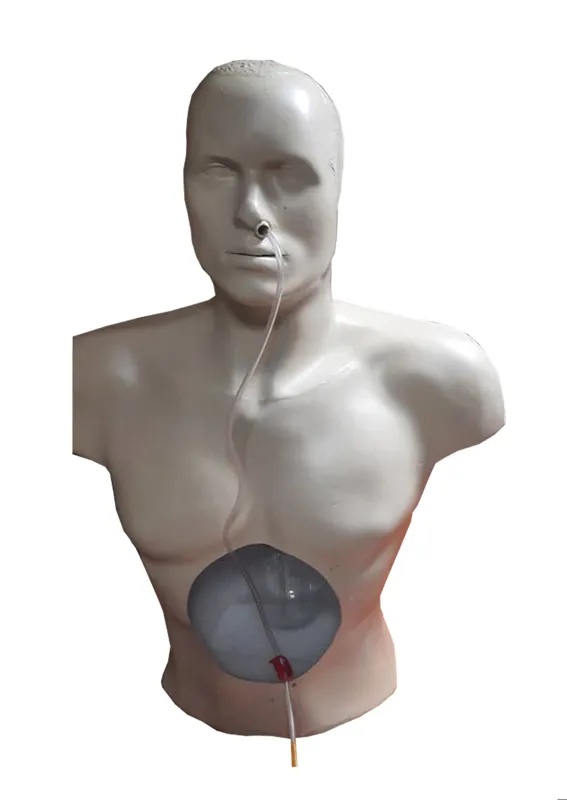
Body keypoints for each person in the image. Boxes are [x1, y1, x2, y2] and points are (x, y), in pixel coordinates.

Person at [73, 60, 505, 739]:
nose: (251, 211)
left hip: (373, 727)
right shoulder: (94, 378)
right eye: (218, 171)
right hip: (174, 732)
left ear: (338, 189)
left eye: (288, 175)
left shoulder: (439, 380)